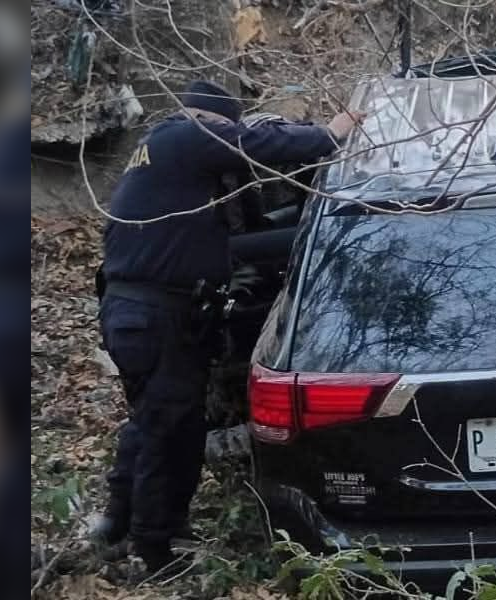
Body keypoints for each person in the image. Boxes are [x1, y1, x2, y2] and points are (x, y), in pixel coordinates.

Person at [92, 80, 363, 573]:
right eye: (228, 129)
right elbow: (258, 147)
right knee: (169, 429)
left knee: (156, 420)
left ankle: (119, 522)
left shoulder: (162, 151)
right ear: (214, 121)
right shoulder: (184, 135)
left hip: (143, 312)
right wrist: (332, 132)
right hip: (154, 313)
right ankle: (152, 550)